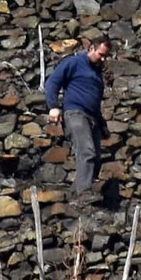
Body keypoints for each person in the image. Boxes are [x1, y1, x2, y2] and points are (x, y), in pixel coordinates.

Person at [45, 36, 112, 204]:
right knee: (86, 150)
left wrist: (102, 124)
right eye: (100, 54)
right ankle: (84, 193)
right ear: (91, 49)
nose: (102, 59)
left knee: (95, 157)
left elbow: (94, 102)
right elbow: (53, 82)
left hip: (92, 117)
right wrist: (53, 106)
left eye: (105, 56)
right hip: (75, 113)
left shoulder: (96, 74)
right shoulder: (74, 63)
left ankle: (77, 194)